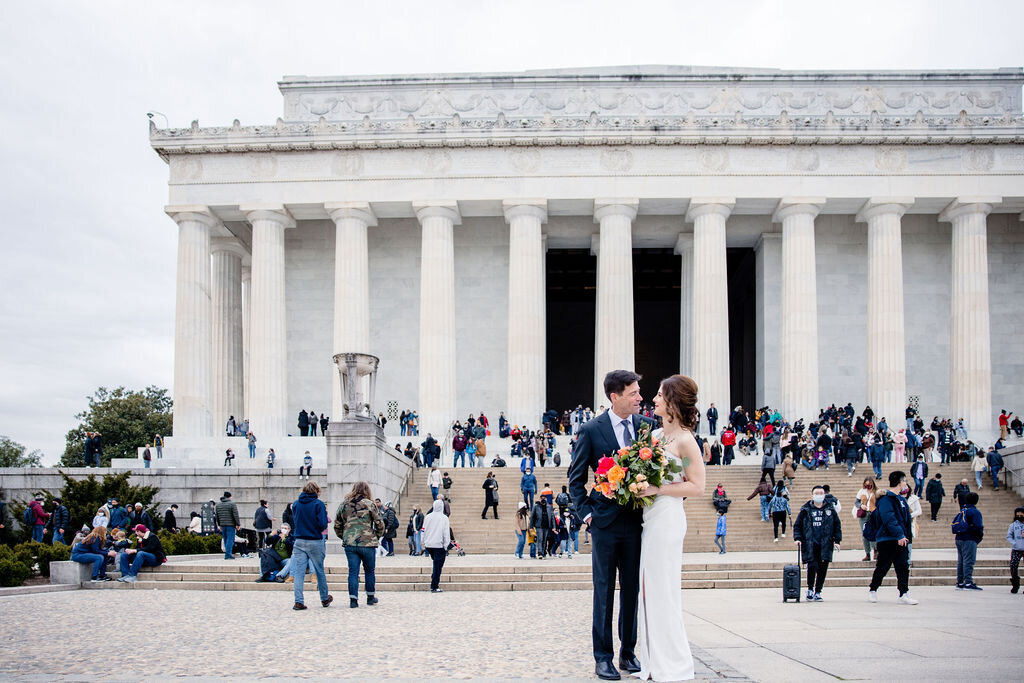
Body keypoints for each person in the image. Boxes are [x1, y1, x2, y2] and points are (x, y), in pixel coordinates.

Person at [566, 369, 654, 681]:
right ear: (614, 396)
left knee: (631, 590)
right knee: (603, 591)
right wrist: (586, 515)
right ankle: (602, 657)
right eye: (633, 393)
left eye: (639, 392)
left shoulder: (648, 427)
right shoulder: (591, 429)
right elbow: (575, 479)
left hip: (637, 522)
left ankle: (628, 652)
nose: (640, 398)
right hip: (603, 522)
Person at [631, 374, 705, 681]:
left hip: (669, 518)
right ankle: (652, 661)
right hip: (651, 519)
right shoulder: (657, 437)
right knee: (649, 589)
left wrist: (656, 489)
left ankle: (673, 663)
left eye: (660, 395)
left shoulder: (687, 440)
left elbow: (698, 486)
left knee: (664, 591)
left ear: (673, 401)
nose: (655, 399)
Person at [867, 470, 918, 605]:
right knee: (883, 566)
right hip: (887, 539)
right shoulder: (886, 499)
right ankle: (873, 589)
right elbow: (889, 518)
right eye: (905, 481)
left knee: (902, 566)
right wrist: (899, 534)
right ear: (900, 482)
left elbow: (906, 520)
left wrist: (906, 536)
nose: (906, 484)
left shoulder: (901, 499)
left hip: (902, 539)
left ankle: (904, 593)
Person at [335, 481, 385, 608]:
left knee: (353, 572)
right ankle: (370, 597)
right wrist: (376, 536)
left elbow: (337, 525)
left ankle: (353, 600)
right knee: (369, 571)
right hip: (368, 543)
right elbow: (379, 523)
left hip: (350, 544)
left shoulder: (344, 504)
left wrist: (345, 536)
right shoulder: (370, 504)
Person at [793, 485, 842, 601]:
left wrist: (837, 541)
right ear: (812, 495)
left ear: (824, 495)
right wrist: (797, 538)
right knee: (812, 566)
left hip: (825, 543)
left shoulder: (830, 509)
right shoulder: (805, 509)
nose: (819, 495)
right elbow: (797, 525)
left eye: (821, 493)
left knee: (823, 568)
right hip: (810, 543)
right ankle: (810, 589)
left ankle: (818, 591)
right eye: (817, 493)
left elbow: (837, 526)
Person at [290, 480, 333, 610]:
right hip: (315, 540)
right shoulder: (318, 504)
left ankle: (298, 601)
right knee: (319, 570)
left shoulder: (296, 504)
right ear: (316, 491)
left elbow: (295, 519)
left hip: (299, 540)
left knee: (299, 572)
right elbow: (322, 523)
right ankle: (324, 598)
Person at [954, 491, 984, 590]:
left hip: (959, 537)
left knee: (961, 561)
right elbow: (978, 526)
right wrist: (979, 537)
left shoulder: (963, 510)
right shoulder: (974, 512)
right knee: (969, 561)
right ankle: (968, 582)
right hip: (969, 538)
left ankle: (960, 582)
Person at [422, 498, 451, 593]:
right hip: (439, 545)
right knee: (438, 566)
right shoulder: (444, 518)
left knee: (436, 563)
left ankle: (434, 577)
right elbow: (446, 533)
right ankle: (434, 585)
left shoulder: (428, 517)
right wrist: (446, 545)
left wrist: (423, 542)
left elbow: (423, 530)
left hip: (429, 544)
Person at [856, 477, 878, 562]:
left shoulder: (876, 492)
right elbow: (856, 502)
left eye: (869, 484)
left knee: (873, 532)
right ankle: (867, 553)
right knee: (865, 534)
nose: (868, 486)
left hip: (873, 513)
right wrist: (861, 506)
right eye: (866, 484)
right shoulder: (862, 491)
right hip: (864, 514)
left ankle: (875, 550)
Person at [215, 491, 240, 560]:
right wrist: (238, 524)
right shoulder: (232, 504)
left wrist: (219, 524)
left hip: (222, 524)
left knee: (226, 539)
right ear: (230, 497)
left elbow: (217, 516)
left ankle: (227, 553)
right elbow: (235, 515)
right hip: (231, 525)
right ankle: (228, 555)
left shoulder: (218, 505)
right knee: (230, 540)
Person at [1007, 507, 1024, 594]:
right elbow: (1009, 536)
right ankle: (1015, 583)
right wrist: (1014, 543)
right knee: (1013, 566)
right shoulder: (1013, 525)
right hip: (1017, 549)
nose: (1020, 517)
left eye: (1022, 515)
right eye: (1018, 515)